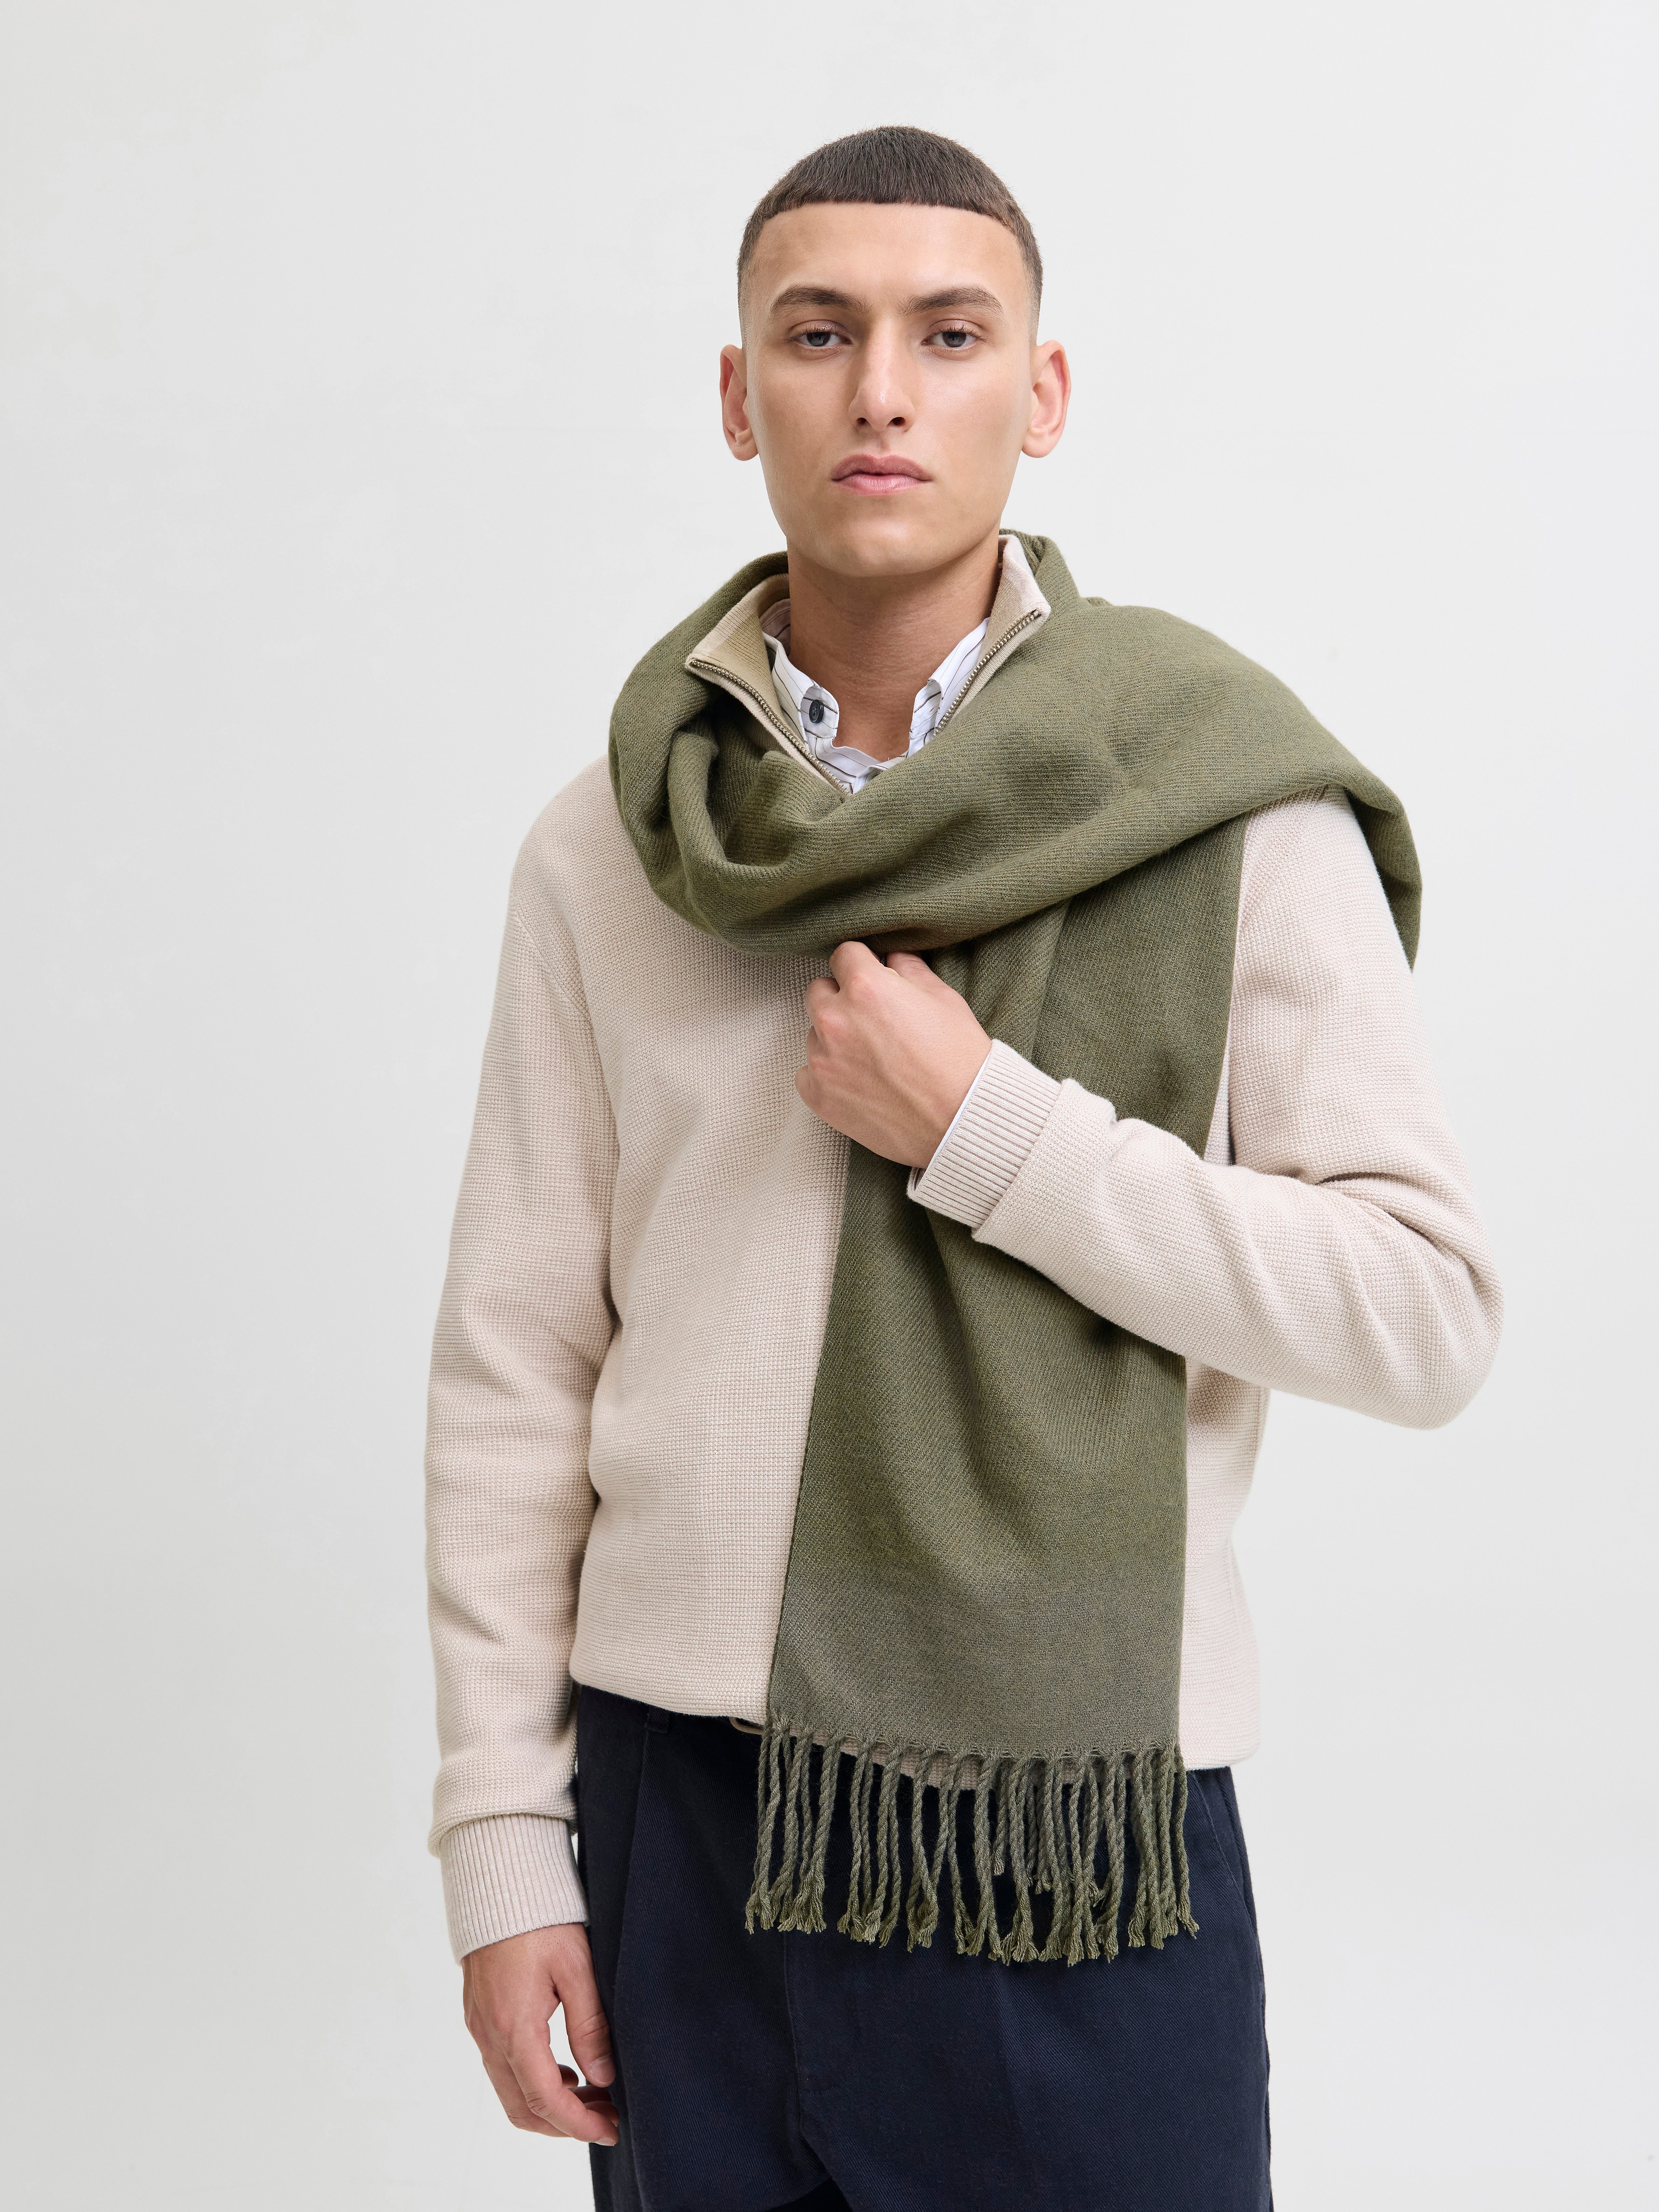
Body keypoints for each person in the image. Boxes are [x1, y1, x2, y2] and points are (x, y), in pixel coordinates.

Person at [425, 126, 1501, 2211]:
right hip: (677, 1823)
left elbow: (1422, 1311)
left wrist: (991, 1135)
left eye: (948, 333)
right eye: (816, 333)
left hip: (1074, 1834)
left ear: (1044, 389)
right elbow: (514, 1364)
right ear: (738, 393)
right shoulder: (613, 844)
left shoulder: (1217, 803)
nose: (881, 392)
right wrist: (500, 1849)